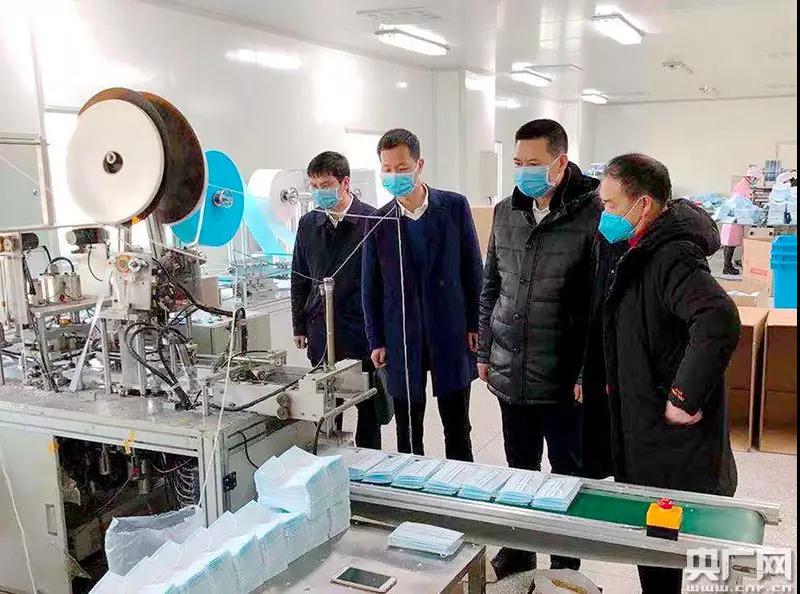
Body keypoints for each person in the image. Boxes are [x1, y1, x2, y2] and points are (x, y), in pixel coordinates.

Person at [594, 153, 740, 594]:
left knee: (662, 544)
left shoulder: (672, 254)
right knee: (653, 540)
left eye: (611, 205)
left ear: (644, 204)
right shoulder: (640, 247)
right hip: (644, 419)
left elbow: (717, 319)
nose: (605, 215)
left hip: (668, 438)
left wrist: (683, 395)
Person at [478, 119, 601, 578]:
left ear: (560, 162)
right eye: (518, 163)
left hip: (563, 374)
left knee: (566, 472)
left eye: (533, 163)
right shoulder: (506, 212)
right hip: (510, 367)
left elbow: (599, 303)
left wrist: (587, 371)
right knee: (519, 467)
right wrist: (485, 350)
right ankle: (519, 550)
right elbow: (491, 285)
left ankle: (564, 561)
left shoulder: (592, 215)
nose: (523, 172)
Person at [361, 128, 483, 461]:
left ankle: (461, 479)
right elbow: (370, 287)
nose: (394, 175)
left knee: (457, 425)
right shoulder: (378, 220)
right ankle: (411, 480)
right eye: (387, 169)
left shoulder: (454, 206)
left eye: (402, 168)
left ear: (419, 165)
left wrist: (475, 323)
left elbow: (473, 269)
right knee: (408, 429)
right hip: (401, 334)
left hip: (450, 330)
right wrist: (376, 339)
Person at [291, 151, 382, 449]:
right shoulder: (308, 224)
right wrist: (299, 325)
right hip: (320, 328)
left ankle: (370, 460)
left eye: (326, 185)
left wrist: (383, 335)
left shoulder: (371, 220)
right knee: (326, 408)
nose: (320, 192)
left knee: (368, 407)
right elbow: (299, 276)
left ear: (345, 183)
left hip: (362, 330)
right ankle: (329, 461)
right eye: (314, 186)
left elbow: (385, 283)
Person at [721, 165, 762, 275]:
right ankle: (727, 267)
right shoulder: (743, 187)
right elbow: (742, 204)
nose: (756, 181)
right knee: (730, 244)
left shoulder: (744, 185)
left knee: (730, 244)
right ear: (752, 177)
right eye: (756, 179)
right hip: (735, 218)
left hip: (735, 218)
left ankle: (728, 265)